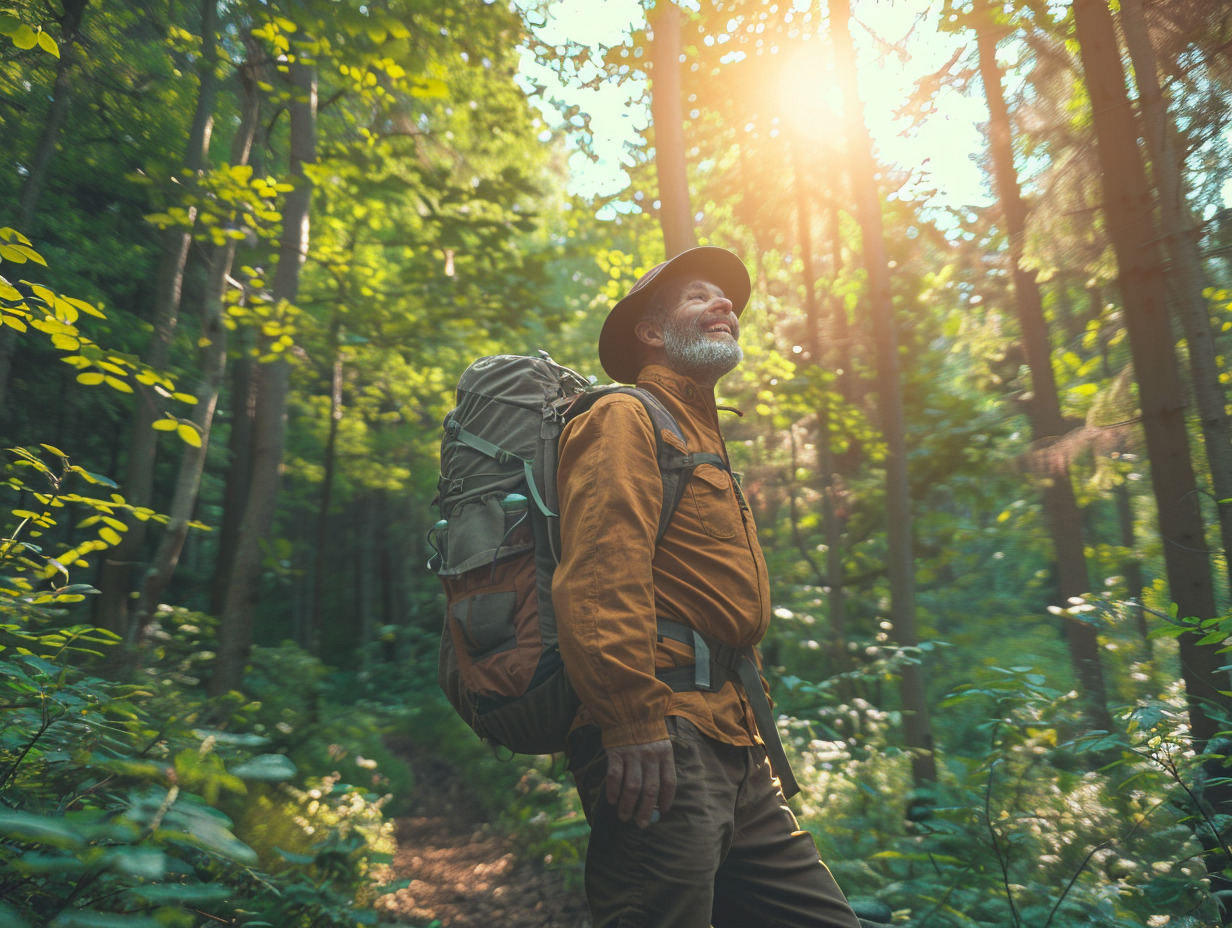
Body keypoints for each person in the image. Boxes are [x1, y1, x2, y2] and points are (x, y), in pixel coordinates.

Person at [552, 246, 862, 928]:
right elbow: (600, 577)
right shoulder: (623, 417)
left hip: (734, 739)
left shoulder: (700, 433)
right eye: (700, 296)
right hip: (663, 740)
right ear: (652, 333)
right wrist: (632, 722)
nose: (726, 306)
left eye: (728, 301)